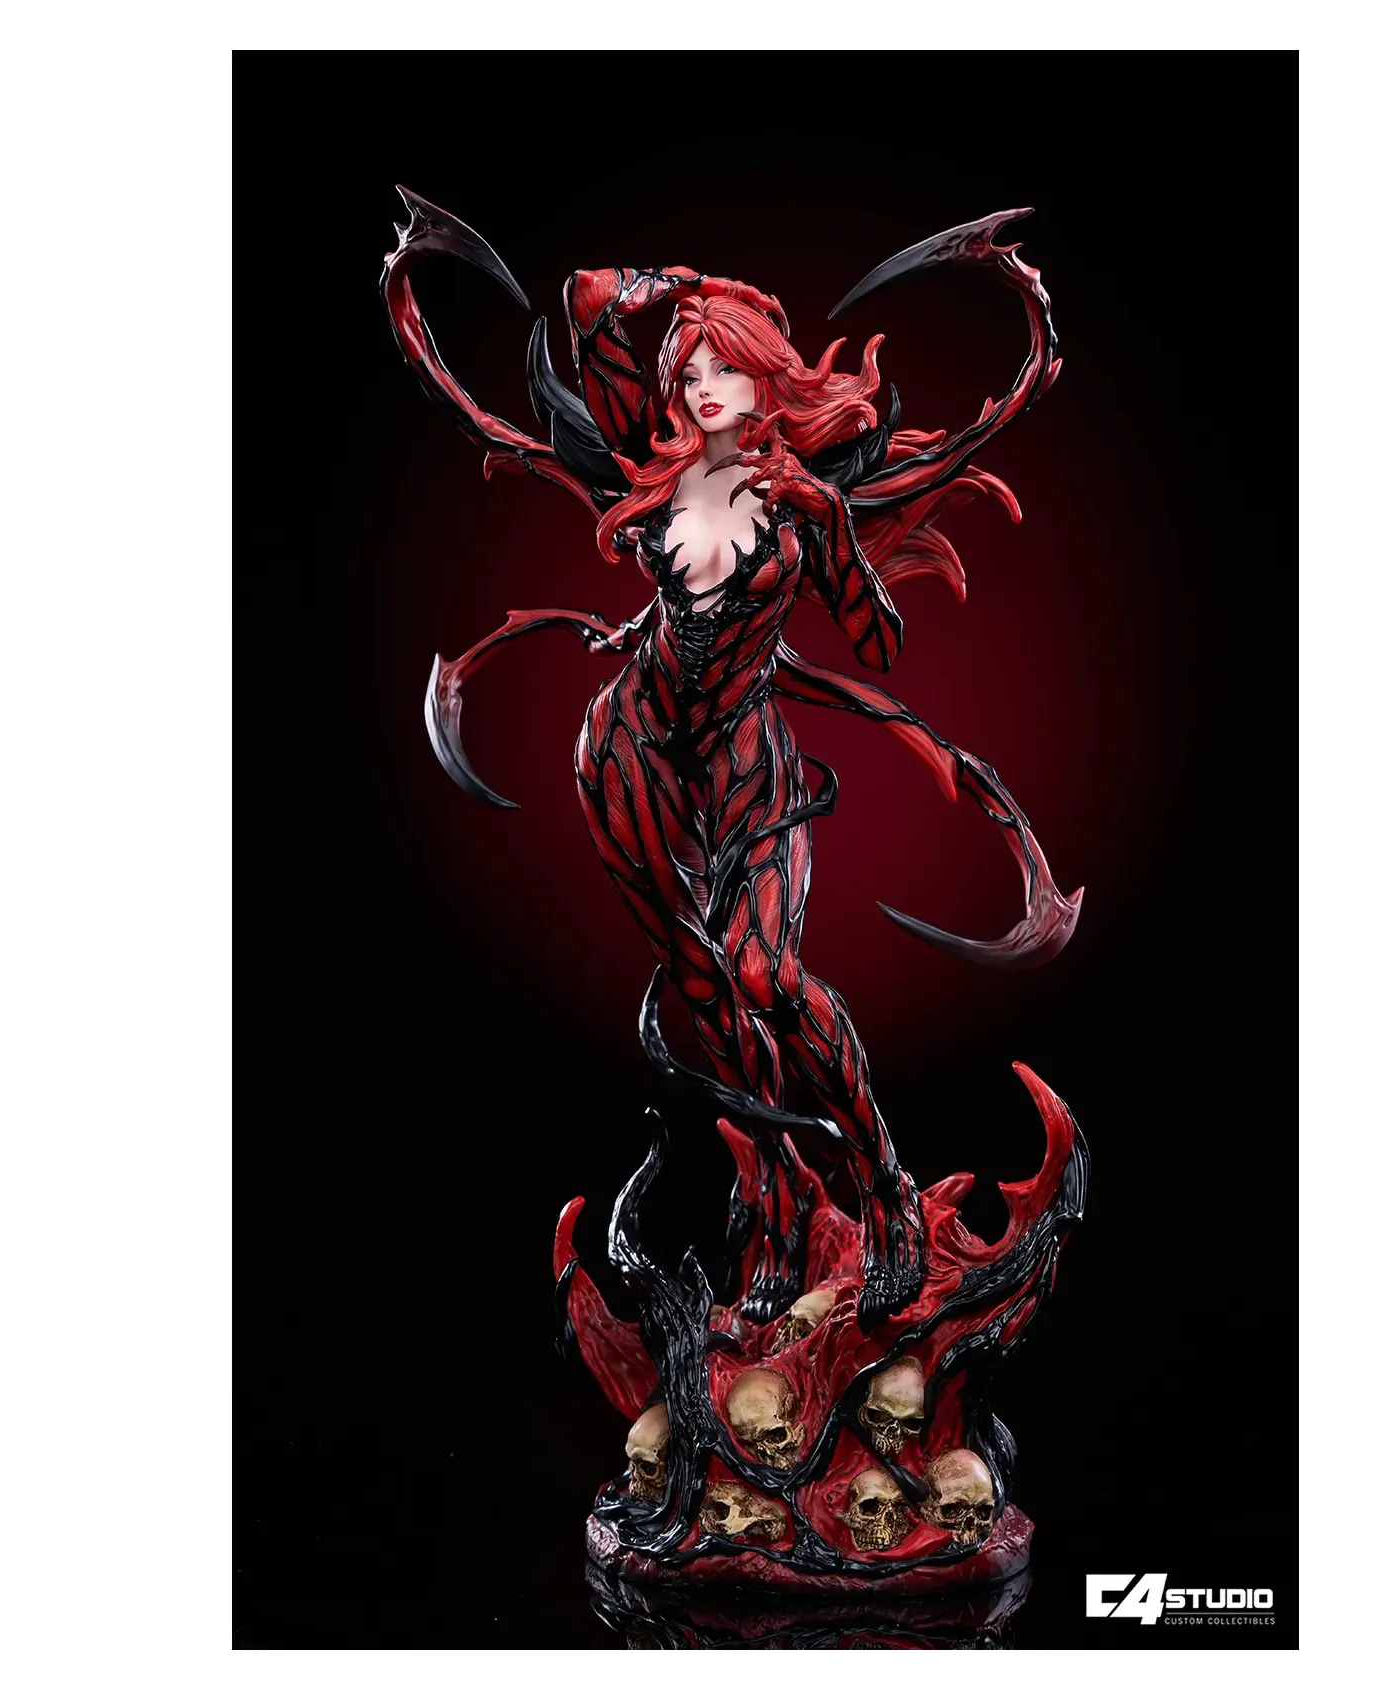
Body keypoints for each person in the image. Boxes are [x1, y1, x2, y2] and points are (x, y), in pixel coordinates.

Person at [382, 193, 1082, 1328]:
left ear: (767, 379)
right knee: (704, 995)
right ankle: (771, 1209)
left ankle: (882, 1187)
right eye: (690, 370)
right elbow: (587, 296)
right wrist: (679, 291)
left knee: (764, 978)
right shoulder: (653, 473)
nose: (705, 387)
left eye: (726, 367)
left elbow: (879, 644)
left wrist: (834, 526)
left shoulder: (803, 502)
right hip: (627, 756)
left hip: (747, 766)